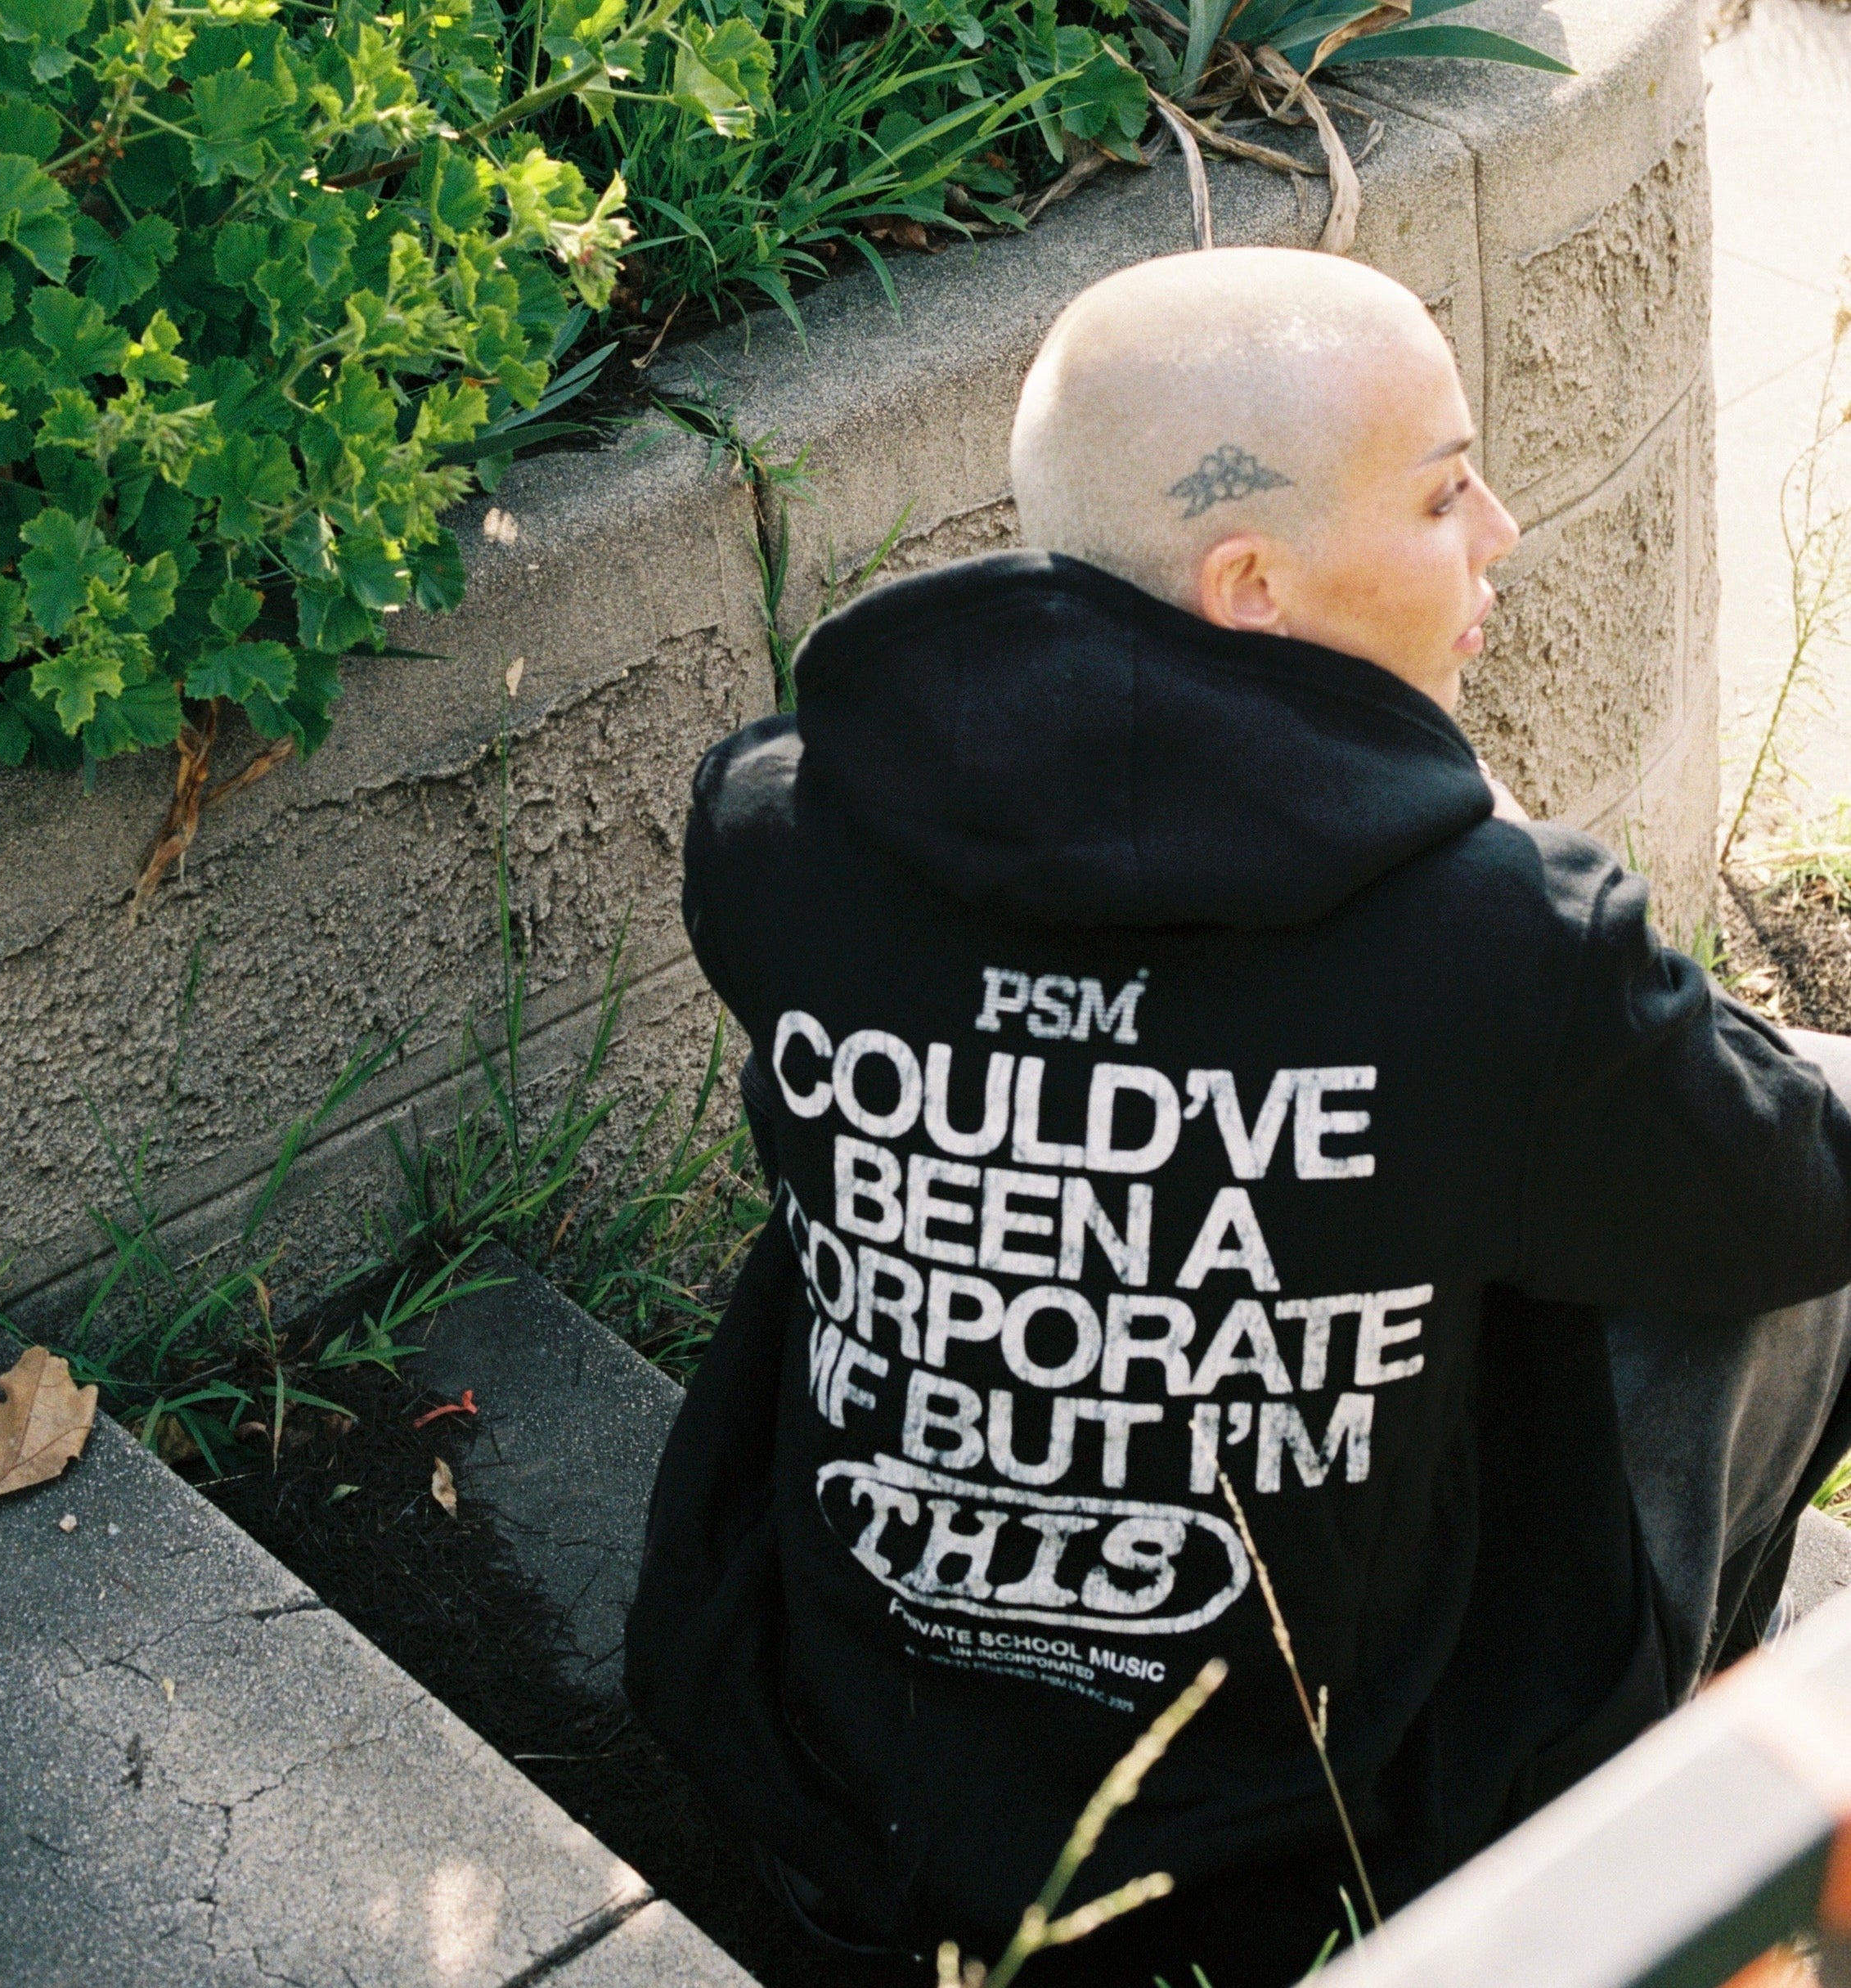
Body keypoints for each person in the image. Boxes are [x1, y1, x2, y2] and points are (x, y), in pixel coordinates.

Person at [623, 247, 1851, 1987]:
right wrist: (1486, 827)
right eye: (1443, 495)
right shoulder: (1511, 945)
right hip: (1319, 1883)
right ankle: (1651, 1785)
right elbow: (1807, 1205)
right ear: (1255, 580)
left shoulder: (771, 830)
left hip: (830, 1810)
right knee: (1780, 1143)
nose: (1499, 529)